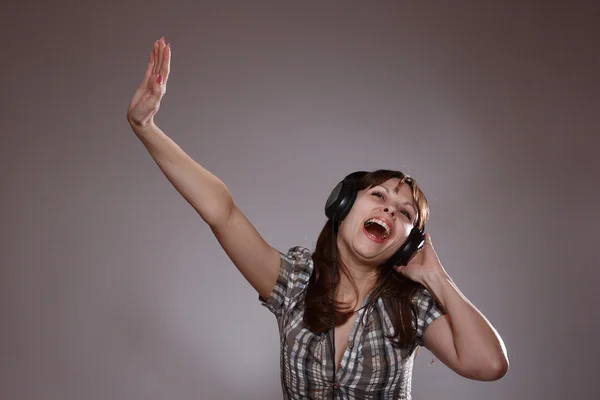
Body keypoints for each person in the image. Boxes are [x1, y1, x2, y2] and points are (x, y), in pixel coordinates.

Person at [127, 37, 509, 399]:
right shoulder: (294, 281)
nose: (390, 209)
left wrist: (435, 277)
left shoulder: (413, 305)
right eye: (378, 195)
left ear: (408, 240)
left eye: (405, 212)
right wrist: (146, 128)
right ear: (343, 206)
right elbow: (221, 212)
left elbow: (489, 365)